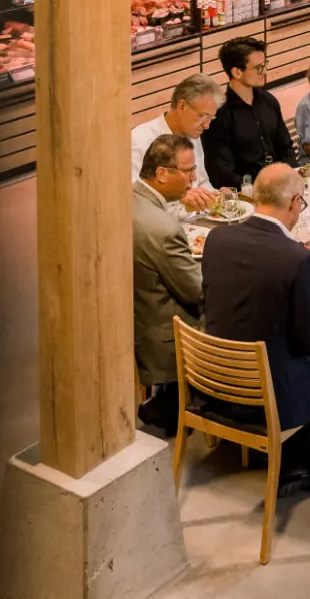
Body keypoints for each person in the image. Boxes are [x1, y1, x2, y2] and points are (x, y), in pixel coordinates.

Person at [202, 163, 310, 489]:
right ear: (294, 203)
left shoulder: (217, 238)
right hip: (272, 397)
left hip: (214, 379)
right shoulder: (297, 259)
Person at [132, 134, 204, 435]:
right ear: (161, 173)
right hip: (161, 331)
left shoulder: (130, 198)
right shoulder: (163, 229)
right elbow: (197, 291)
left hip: (139, 310)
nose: (194, 178)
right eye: (188, 171)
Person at [201, 36, 295, 190]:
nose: (264, 71)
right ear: (237, 72)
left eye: (264, 65)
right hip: (247, 194)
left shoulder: (269, 101)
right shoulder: (219, 116)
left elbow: (286, 148)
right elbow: (222, 174)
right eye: (258, 68)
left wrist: (290, 176)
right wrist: (261, 187)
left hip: (283, 185)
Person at [130, 73, 223, 206]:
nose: (207, 126)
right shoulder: (140, 139)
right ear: (182, 106)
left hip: (199, 217)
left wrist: (214, 196)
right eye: (203, 116)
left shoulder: (192, 134)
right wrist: (180, 197)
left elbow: (202, 182)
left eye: (211, 118)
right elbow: (134, 198)